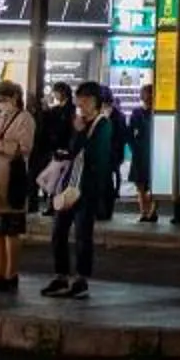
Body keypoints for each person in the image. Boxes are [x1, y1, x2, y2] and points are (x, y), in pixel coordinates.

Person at [44, 81, 122, 300]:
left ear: (96, 102)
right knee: (59, 232)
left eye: (87, 99)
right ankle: (61, 276)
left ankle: (81, 279)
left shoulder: (102, 124)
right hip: (69, 185)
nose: (82, 103)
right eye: (80, 99)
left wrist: (78, 134)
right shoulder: (77, 121)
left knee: (82, 235)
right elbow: (67, 148)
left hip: (86, 189)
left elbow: (92, 154)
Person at [0, 80, 35, 293]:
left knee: (11, 229)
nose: (0, 103)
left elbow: (25, 147)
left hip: (12, 176)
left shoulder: (25, 118)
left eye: (3, 99)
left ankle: (11, 274)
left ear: (14, 98)